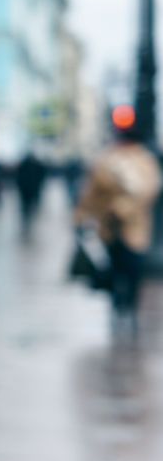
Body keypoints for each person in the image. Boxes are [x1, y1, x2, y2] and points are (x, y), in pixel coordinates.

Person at [76, 115, 162, 335]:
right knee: (114, 269)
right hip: (109, 228)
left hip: (134, 227)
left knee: (133, 268)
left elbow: (147, 191)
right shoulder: (106, 160)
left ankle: (130, 308)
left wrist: (122, 208)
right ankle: (117, 307)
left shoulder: (144, 161)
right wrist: (82, 215)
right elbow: (92, 191)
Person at [14, 151, 49, 237]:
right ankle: (27, 218)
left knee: (26, 207)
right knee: (28, 206)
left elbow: (18, 178)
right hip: (31, 189)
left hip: (27, 190)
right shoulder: (35, 165)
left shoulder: (23, 165)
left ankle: (27, 218)